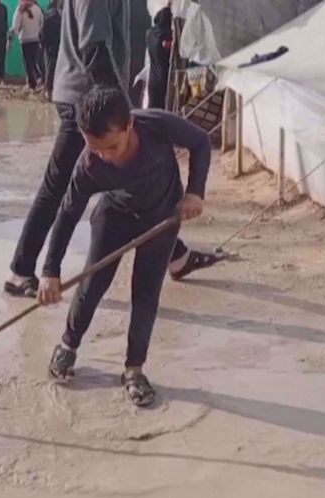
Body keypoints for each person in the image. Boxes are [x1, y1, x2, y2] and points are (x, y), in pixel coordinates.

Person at [4, 0, 223, 298]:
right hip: (87, 103)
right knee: (60, 188)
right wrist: (119, 112)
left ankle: (175, 255)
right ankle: (21, 269)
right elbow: (94, 49)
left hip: (86, 96)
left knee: (132, 178)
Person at [37, 87, 208, 407]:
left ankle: (134, 369)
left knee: (145, 295)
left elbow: (200, 142)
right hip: (114, 216)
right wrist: (50, 271)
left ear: (129, 125)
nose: (105, 156)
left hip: (161, 218)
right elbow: (67, 214)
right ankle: (68, 345)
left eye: (112, 146)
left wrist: (195, 192)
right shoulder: (89, 164)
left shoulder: (156, 125)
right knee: (92, 284)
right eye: (96, 149)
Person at [10, 0, 44, 90]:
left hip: (25, 39)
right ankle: (35, 81)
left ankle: (34, 81)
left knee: (28, 62)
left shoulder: (20, 10)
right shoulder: (38, 9)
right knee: (34, 60)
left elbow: (15, 25)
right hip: (36, 39)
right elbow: (42, 23)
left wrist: (15, 34)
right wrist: (38, 32)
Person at [145, 6, 172, 109]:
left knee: (152, 105)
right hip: (163, 78)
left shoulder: (149, 34)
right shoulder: (165, 36)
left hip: (153, 78)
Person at [40, 0, 62, 99]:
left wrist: (42, 44)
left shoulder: (47, 17)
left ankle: (49, 92)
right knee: (57, 69)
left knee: (49, 69)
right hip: (59, 46)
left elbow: (42, 33)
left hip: (49, 47)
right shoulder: (62, 17)